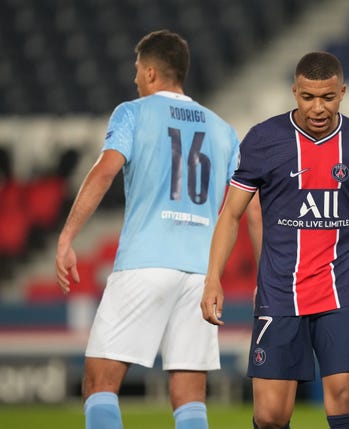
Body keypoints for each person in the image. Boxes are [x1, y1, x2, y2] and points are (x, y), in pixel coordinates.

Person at [200, 51, 349, 429]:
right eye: (308, 97)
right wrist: (213, 278)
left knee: (344, 397)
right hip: (279, 290)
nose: (318, 107)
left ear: (342, 93)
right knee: (271, 416)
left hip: (342, 289)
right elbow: (232, 215)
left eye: (327, 97)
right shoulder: (264, 140)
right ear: (294, 92)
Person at [55, 30, 240, 429]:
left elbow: (104, 172)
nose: (135, 78)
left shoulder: (132, 113)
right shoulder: (223, 129)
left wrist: (67, 236)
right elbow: (249, 210)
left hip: (145, 262)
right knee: (190, 396)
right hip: (201, 274)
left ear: (152, 72)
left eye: (138, 71)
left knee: (99, 383)